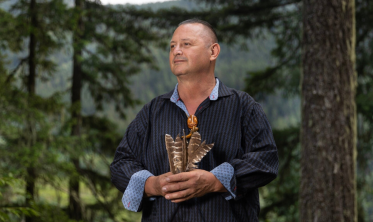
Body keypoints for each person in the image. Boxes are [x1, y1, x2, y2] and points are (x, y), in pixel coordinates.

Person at [110, 19, 278, 222]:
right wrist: (153, 184)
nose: (176, 51)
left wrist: (215, 181)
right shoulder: (153, 111)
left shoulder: (243, 106)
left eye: (186, 44)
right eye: (172, 46)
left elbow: (266, 159)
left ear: (213, 52)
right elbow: (121, 163)